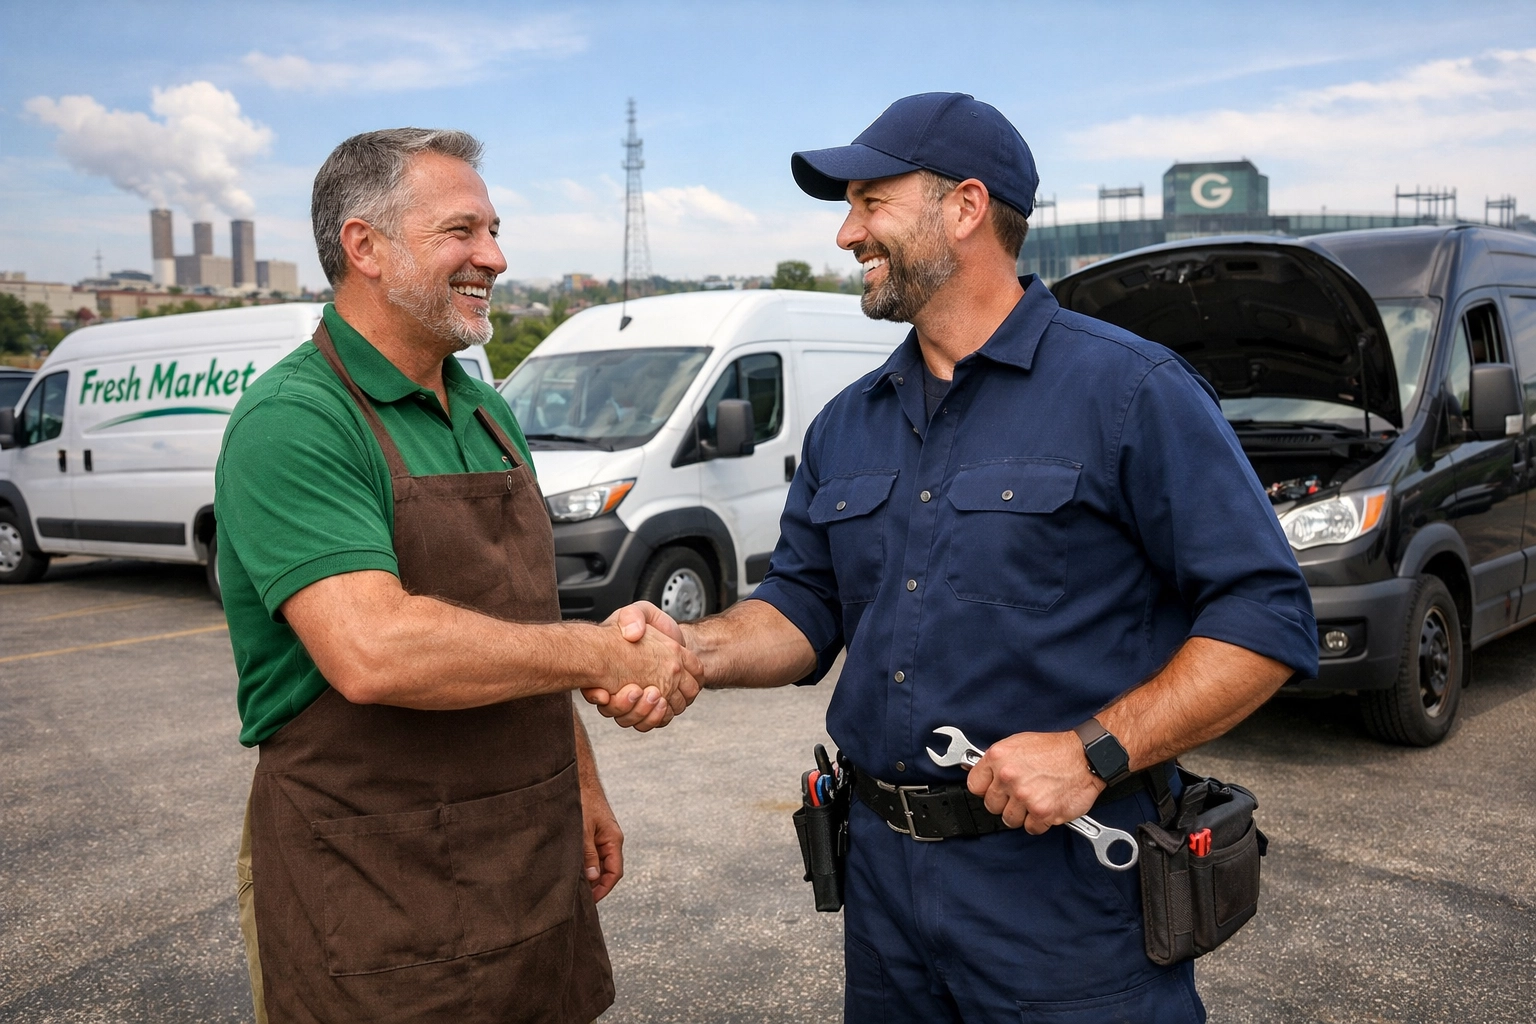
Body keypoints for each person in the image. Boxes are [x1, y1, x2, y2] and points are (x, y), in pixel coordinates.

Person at [593, 93, 1319, 1022]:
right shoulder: (847, 421)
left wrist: (1094, 751)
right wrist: (692, 650)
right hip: (885, 897)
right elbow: (802, 608)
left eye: (871, 202)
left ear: (966, 207)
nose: (848, 231)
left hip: (1065, 897)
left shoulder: (1131, 390)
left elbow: (1266, 618)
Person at [217, 128, 702, 1024]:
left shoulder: (484, 408)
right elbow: (374, 649)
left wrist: (581, 782)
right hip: (373, 885)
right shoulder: (296, 419)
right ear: (364, 246)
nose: (496, 256)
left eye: (494, 229)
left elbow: (524, 618)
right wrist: (605, 655)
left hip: (526, 860)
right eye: (463, 231)